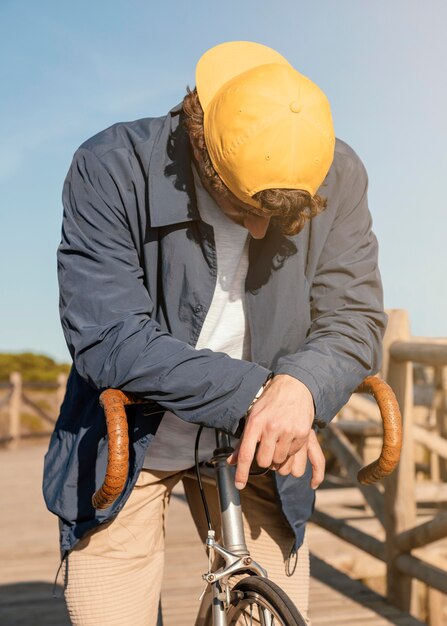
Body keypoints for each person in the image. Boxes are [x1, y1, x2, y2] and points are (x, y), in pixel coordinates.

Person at [43, 41, 386, 625]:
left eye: (276, 218)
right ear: (200, 144)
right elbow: (107, 334)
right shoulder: (110, 166)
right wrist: (261, 394)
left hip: (265, 444)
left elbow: (354, 316)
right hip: (135, 434)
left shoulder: (339, 170)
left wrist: (301, 388)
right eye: (241, 205)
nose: (258, 227)